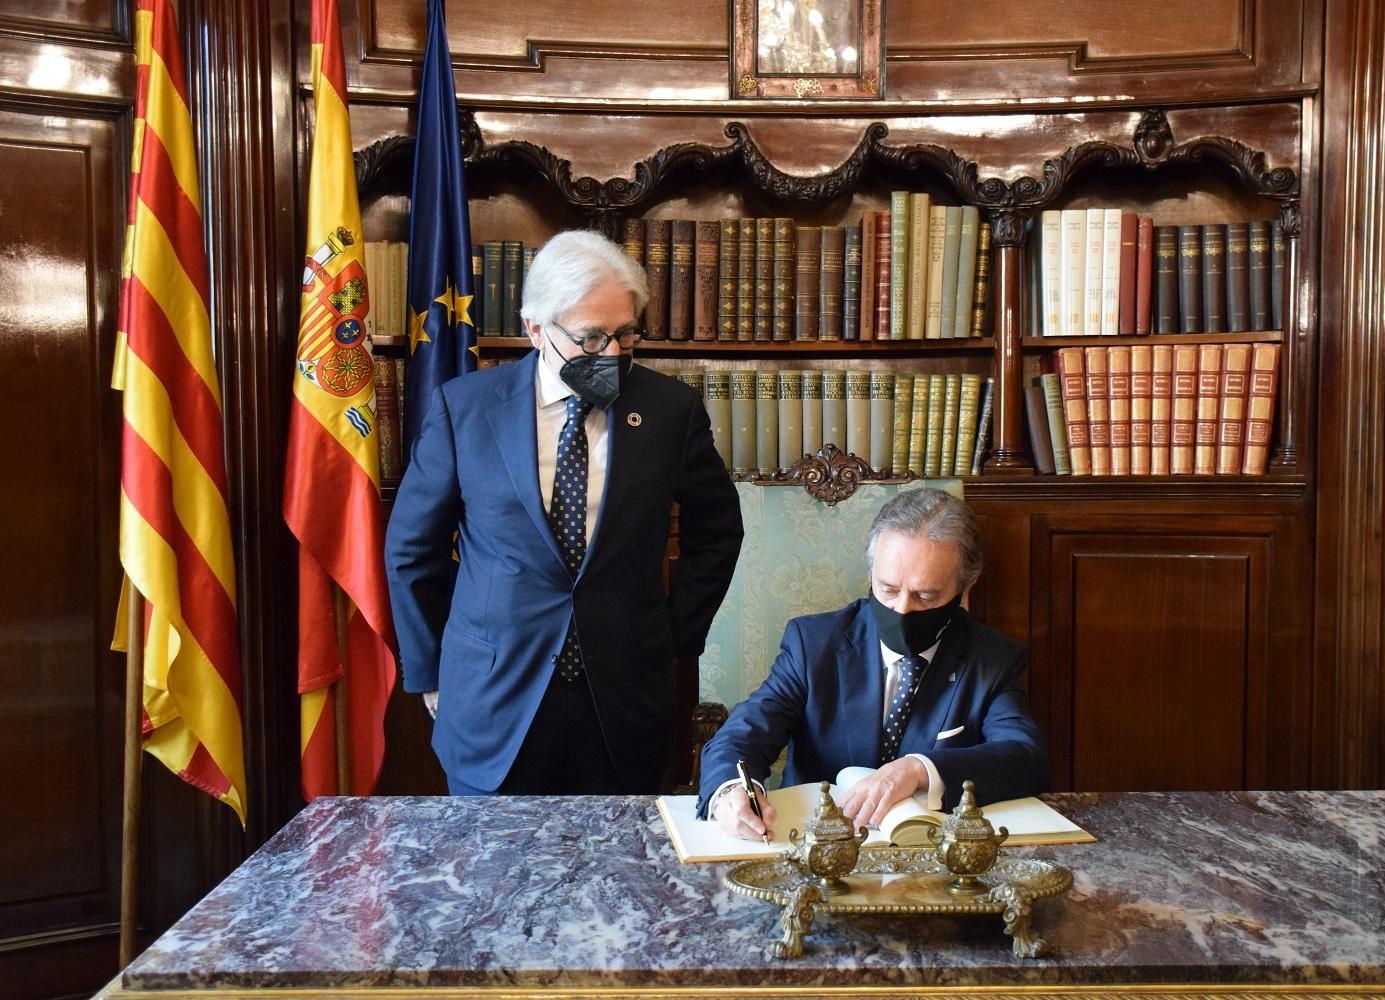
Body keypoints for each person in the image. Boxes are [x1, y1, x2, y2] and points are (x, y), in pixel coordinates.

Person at [386, 229, 743, 795]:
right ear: (535, 329)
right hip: (493, 697)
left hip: (624, 697)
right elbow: (411, 549)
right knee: (491, 874)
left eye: (626, 334)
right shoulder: (467, 409)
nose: (611, 353)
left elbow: (718, 530)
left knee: (622, 874)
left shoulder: (670, 410)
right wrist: (430, 669)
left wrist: (674, 636)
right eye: (591, 337)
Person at [697, 488, 1046, 839]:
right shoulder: (815, 644)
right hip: (816, 846)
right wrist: (730, 791)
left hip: (932, 858)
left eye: (926, 596)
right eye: (888, 589)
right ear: (871, 572)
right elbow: (744, 734)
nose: (902, 610)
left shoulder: (992, 659)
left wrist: (919, 769)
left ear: (966, 585)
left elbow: (1024, 757)